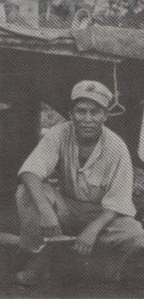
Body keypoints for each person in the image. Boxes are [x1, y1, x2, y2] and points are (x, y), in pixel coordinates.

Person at [15, 80, 144, 286]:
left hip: (100, 214)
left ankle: (82, 260)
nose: (87, 119)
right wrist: (46, 212)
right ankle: (37, 256)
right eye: (81, 111)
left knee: (136, 235)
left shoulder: (117, 147)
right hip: (66, 207)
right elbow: (30, 172)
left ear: (105, 116)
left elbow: (118, 203)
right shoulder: (60, 132)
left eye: (94, 112)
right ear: (71, 114)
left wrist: (92, 230)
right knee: (26, 192)